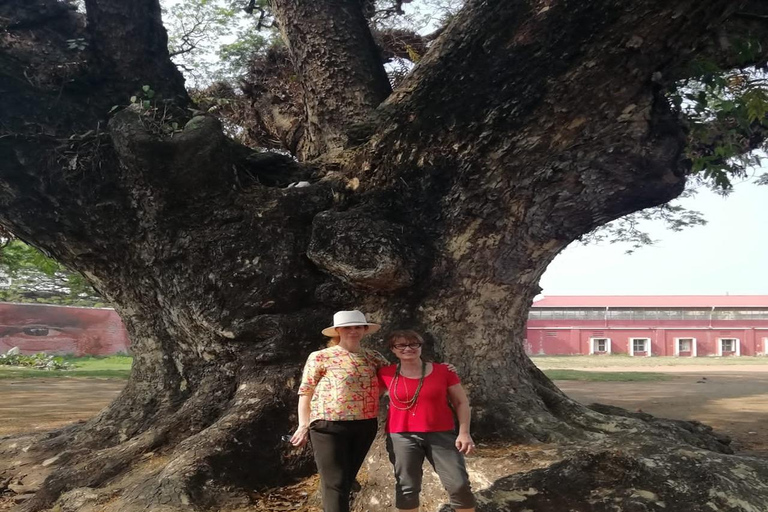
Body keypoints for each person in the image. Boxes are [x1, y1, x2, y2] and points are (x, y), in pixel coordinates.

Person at [290, 310, 389, 512]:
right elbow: (306, 391)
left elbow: (396, 377)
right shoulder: (321, 357)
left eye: (357, 327)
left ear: (364, 330)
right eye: (347, 327)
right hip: (328, 425)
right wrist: (303, 425)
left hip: (365, 424)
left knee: (345, 480)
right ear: (337, 330)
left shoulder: (373, 357)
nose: (353, 331)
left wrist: (443, 369)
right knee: (335, 484)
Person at [378, 330, 477, 512]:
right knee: (407, 487)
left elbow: (461, 402)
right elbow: (363, 394)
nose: (408, 348)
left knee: (459, 484)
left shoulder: (443, 371)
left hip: (441, 434)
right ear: (393, 349)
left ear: (421, 346)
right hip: (401, 435)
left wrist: (464, 432)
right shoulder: (385, 373)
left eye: (413, 344)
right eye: (401, 345)